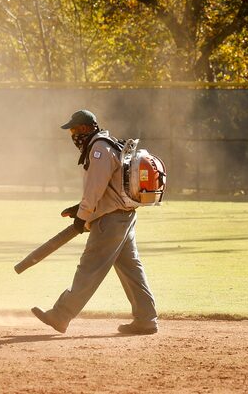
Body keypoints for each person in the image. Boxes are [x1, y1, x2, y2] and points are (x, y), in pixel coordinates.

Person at [31, 109, 158, 335]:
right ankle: (146, 319)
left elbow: (95, 189)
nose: (72, 135)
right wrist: (78, 210)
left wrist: (82, 216)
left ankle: (60, 316)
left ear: (84, 129)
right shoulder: (108, 144)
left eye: (73, 130)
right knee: (131, 269)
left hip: (110, 221)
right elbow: (106, 189)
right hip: (124, 216)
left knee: (89, 269)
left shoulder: (98, 148)